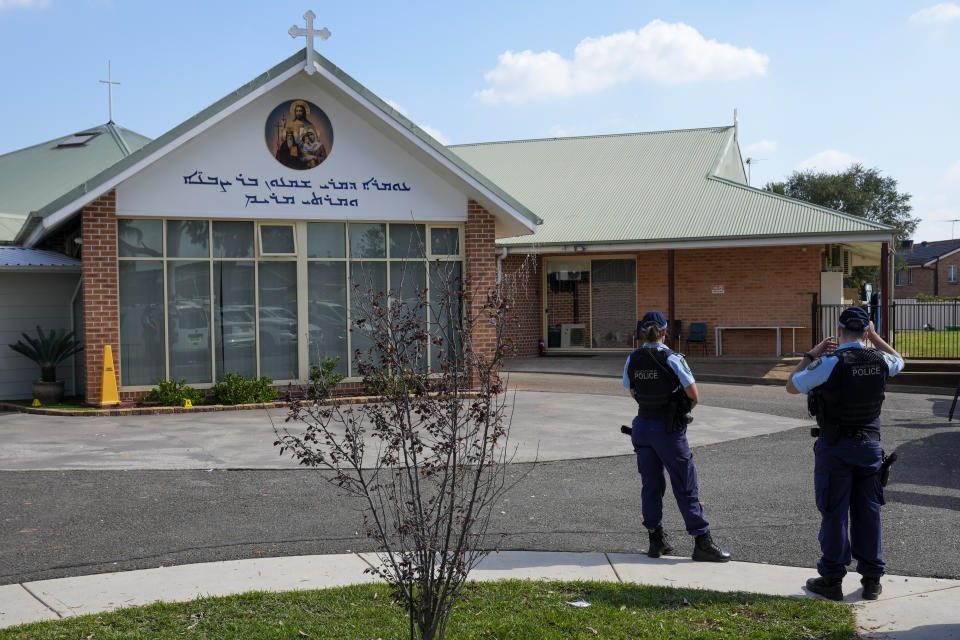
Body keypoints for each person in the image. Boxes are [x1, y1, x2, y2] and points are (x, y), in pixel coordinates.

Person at [787, 306, 904, 601]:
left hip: (836, 448)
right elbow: (901, 360)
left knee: (834, 513)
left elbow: (791, 386)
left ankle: (832, 578)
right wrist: (876, 338)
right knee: (869, 513)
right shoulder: (880, 360)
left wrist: (811, 354)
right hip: (869, 448)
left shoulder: (829, 362)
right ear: (865, 332)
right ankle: (872, 579)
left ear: (839, 332)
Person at [623, 311, 731, 562]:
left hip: (642, 427)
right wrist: (677, 413)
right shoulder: (673, 358)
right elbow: (694, 396)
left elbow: (632, 390)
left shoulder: (633, 358)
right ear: (665, 331)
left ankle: (656, 540)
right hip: (667, 431)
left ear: (642, 331)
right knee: (685, 484)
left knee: (651, 485)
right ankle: (702, 542)